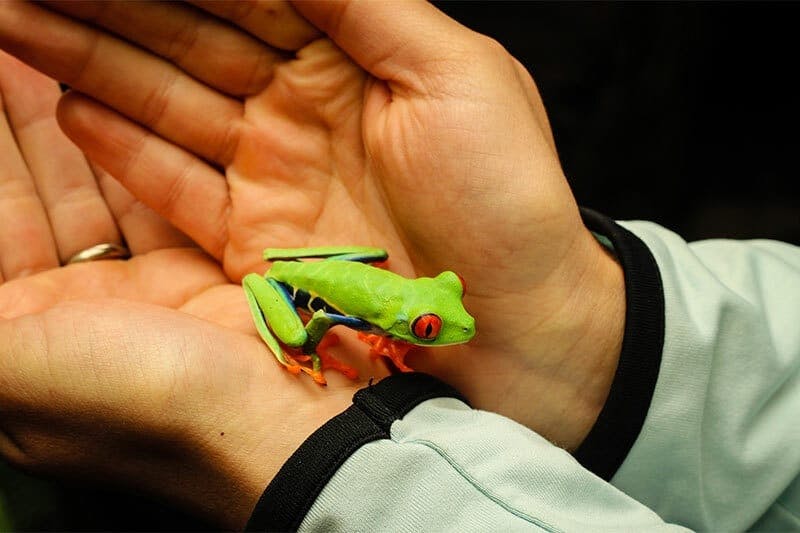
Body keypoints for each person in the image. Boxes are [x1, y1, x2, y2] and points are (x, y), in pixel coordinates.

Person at [0, 1, 797, 530]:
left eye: (437, 309)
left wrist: (578, 335)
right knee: (302, 322)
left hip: (354, 282)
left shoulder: (428, 307)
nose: (453, 317)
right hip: (296, 283)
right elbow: (326, 317)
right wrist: (304, 344)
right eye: (429, 323)